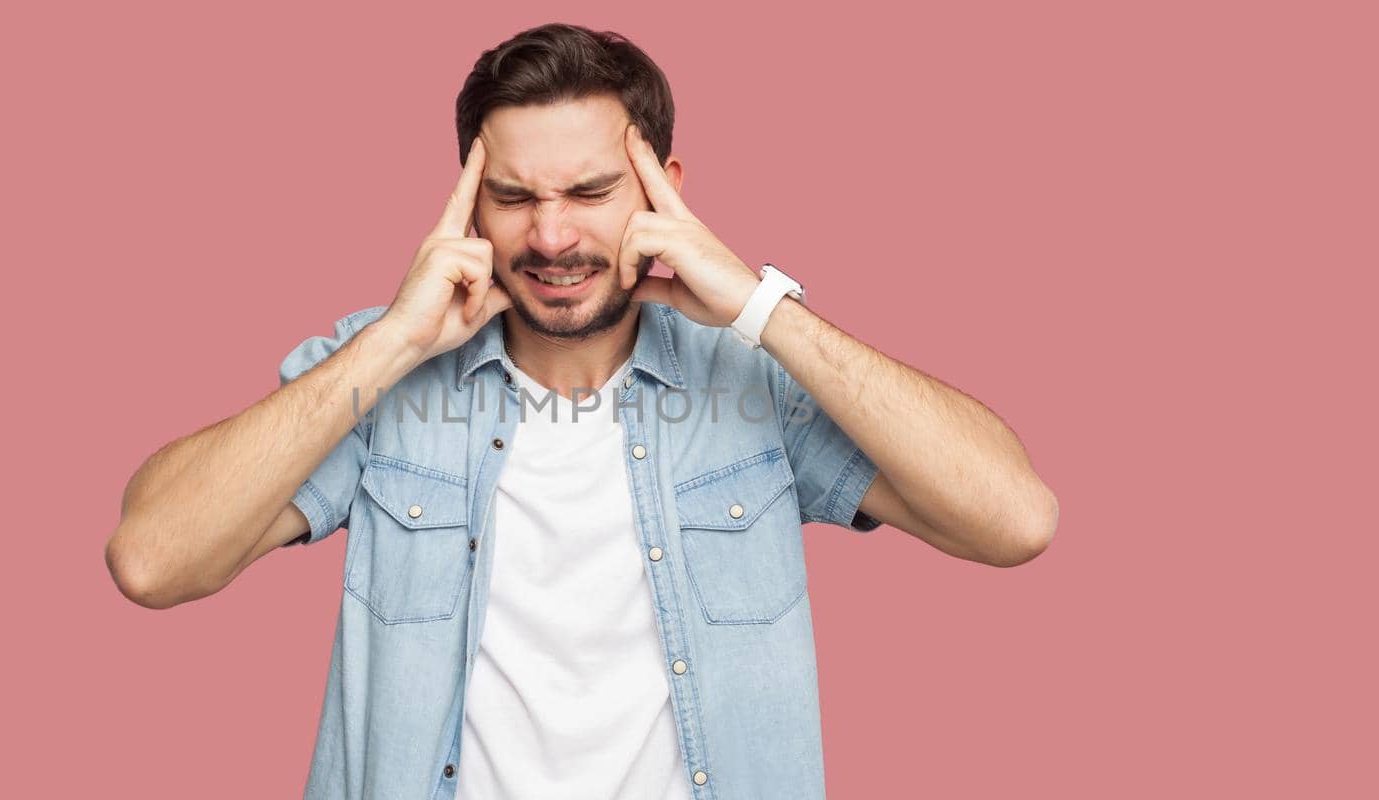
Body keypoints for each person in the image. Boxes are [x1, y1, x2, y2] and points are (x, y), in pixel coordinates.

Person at [105, 22, 1058, 800]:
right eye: (514, 198)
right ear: (470, 207)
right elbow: (152, 560)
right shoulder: (378, 367)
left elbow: (1015, 519)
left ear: (662, 191)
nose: (551, 235)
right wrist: (395, 342)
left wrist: (759, 307)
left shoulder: (749, 374)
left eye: (591, 193)